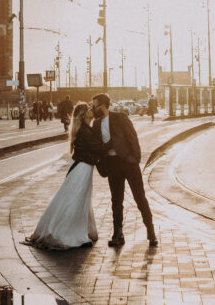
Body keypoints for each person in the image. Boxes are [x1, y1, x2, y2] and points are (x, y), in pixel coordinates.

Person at [25, 102, 105, 250]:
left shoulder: (84, 129)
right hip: (83, 168)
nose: (91, 110)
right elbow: (97, 147)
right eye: (88, 109)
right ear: (84, 115)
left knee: (76, 197)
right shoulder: (86, 131)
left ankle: (84, 229)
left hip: (81, 167)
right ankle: (67, 232)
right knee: (76, 199)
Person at [91, 93, 156, 247]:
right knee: (116, 200)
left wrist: (135, 159)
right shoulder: (96, 124)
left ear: (103, 105)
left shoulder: (120, 117)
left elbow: (132, 137)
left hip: (128, 163)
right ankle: (118, 233)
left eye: (95, 105)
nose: (93, 108)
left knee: (140, 197)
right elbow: (97, 146)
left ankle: (151, 230)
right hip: (112, 165)